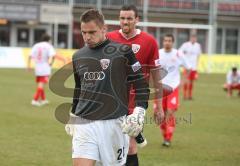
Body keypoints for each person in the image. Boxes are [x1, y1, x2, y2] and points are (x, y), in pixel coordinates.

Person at [65, 9, 150, 166]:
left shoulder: (123, 51)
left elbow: (141, 85)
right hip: (85, 124)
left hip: (113, 124)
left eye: (92, 32)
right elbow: (79, 89)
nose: (87, 37)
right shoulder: (78, 56)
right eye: (84, 32)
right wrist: (73, 114)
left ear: (103, 29)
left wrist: (139, 111)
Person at [107, 4, 163, 166]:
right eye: (122, 18)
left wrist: (158, 106)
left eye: (129, 18)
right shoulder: (108, 38)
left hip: (136, 103)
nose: (125, 22)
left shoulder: (149, 41)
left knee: (131, 147)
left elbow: (156, 75)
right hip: (112, 101)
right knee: (112, 147)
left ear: (137, 20)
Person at [154, 34, 190, 147]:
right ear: (163, 42)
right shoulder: (158, 53)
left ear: (173, 42)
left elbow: (188, 68)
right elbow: (152, 69)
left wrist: (183, 82)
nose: (167, 42)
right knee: (160, 114)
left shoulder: (178, 53)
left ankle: (168, 138)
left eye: (169, 41)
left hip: (173, 88)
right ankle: (165, 136)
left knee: (170, 112)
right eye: (165, 40)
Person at [27, 33, 56, 106]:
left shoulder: (36, 45)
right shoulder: (49, 46)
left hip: (37, 67)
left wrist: (28, 66)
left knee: (41, 83)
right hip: (45, 67)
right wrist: (51, 63)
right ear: (49, 40)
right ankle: (35, 100)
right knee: (41, 84)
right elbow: (53, 56)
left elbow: (30, 56)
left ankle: (43, 100)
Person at [179, 33, 202, 100]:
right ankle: (185, 95)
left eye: (194, 38)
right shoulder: (185, 45)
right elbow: (179, 52)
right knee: (186, 80)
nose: (193, 39)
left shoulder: (198, 46)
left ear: (196, 39)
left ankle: (190, 95)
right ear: (190, 38)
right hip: (186, 66)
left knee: (191, 81)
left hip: (194, 67)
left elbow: (198, 55)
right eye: (192, 38)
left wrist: (197, 65)